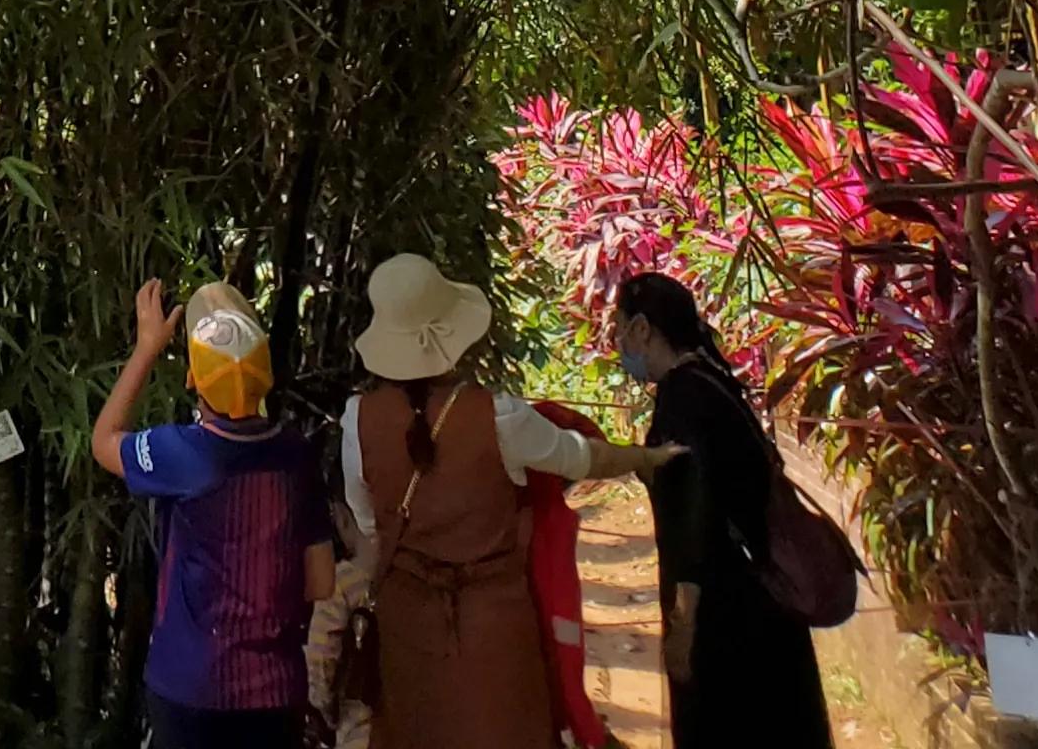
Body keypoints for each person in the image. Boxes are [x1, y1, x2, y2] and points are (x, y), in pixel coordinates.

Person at [340, 254, 667, 749]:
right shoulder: (500, 417)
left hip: (407, 628)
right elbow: (581, 458)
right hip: (495, 625)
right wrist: (644, 457)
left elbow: (368, 529)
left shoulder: (356, 422)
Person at [93, 276, 335, 749]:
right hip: (275, 691)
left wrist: (146, 349)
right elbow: (321, 581)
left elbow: (104, 441)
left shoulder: (182, 453)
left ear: (193, 379)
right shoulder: (295, 456)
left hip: (190, 685)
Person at [614, 271, 834, 747]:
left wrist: (684, 623)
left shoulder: (681, 397)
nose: (617, 342)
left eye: (620, 327)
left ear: (643, 329)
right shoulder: (713, 380)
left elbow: (696, 515)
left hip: (725, 616)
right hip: (763, 600)